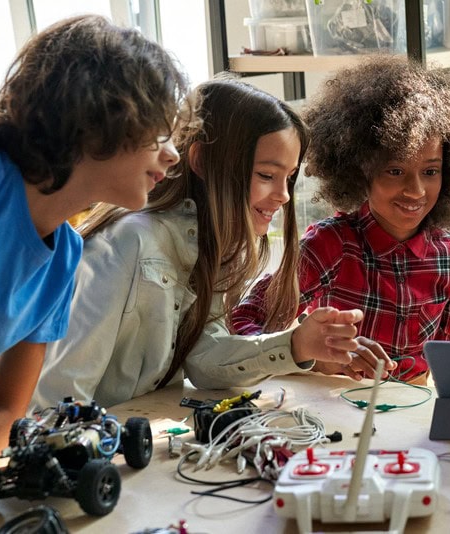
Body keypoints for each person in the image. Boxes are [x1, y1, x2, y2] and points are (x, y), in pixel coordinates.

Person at [32, 78, 392, 410]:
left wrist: (295, 344)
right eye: (266, 175)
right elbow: (57, 398)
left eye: (289, 178)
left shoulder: (210, 246)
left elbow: (204, 360)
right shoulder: (129, 243)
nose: (282, 195)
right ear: (202, 161)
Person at [0, 15, 190, 462]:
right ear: (99, 114)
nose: (172, 153)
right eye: (160, 132)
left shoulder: (65, 258)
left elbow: (6, 413)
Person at [231, 56, 450, 384]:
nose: (415, 190)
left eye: (430, 171)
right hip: (338, 412)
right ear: (360, 171)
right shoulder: (330, 246)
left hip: (409, 416)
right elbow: (245, 323)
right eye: (395, 171)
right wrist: (309, 353)